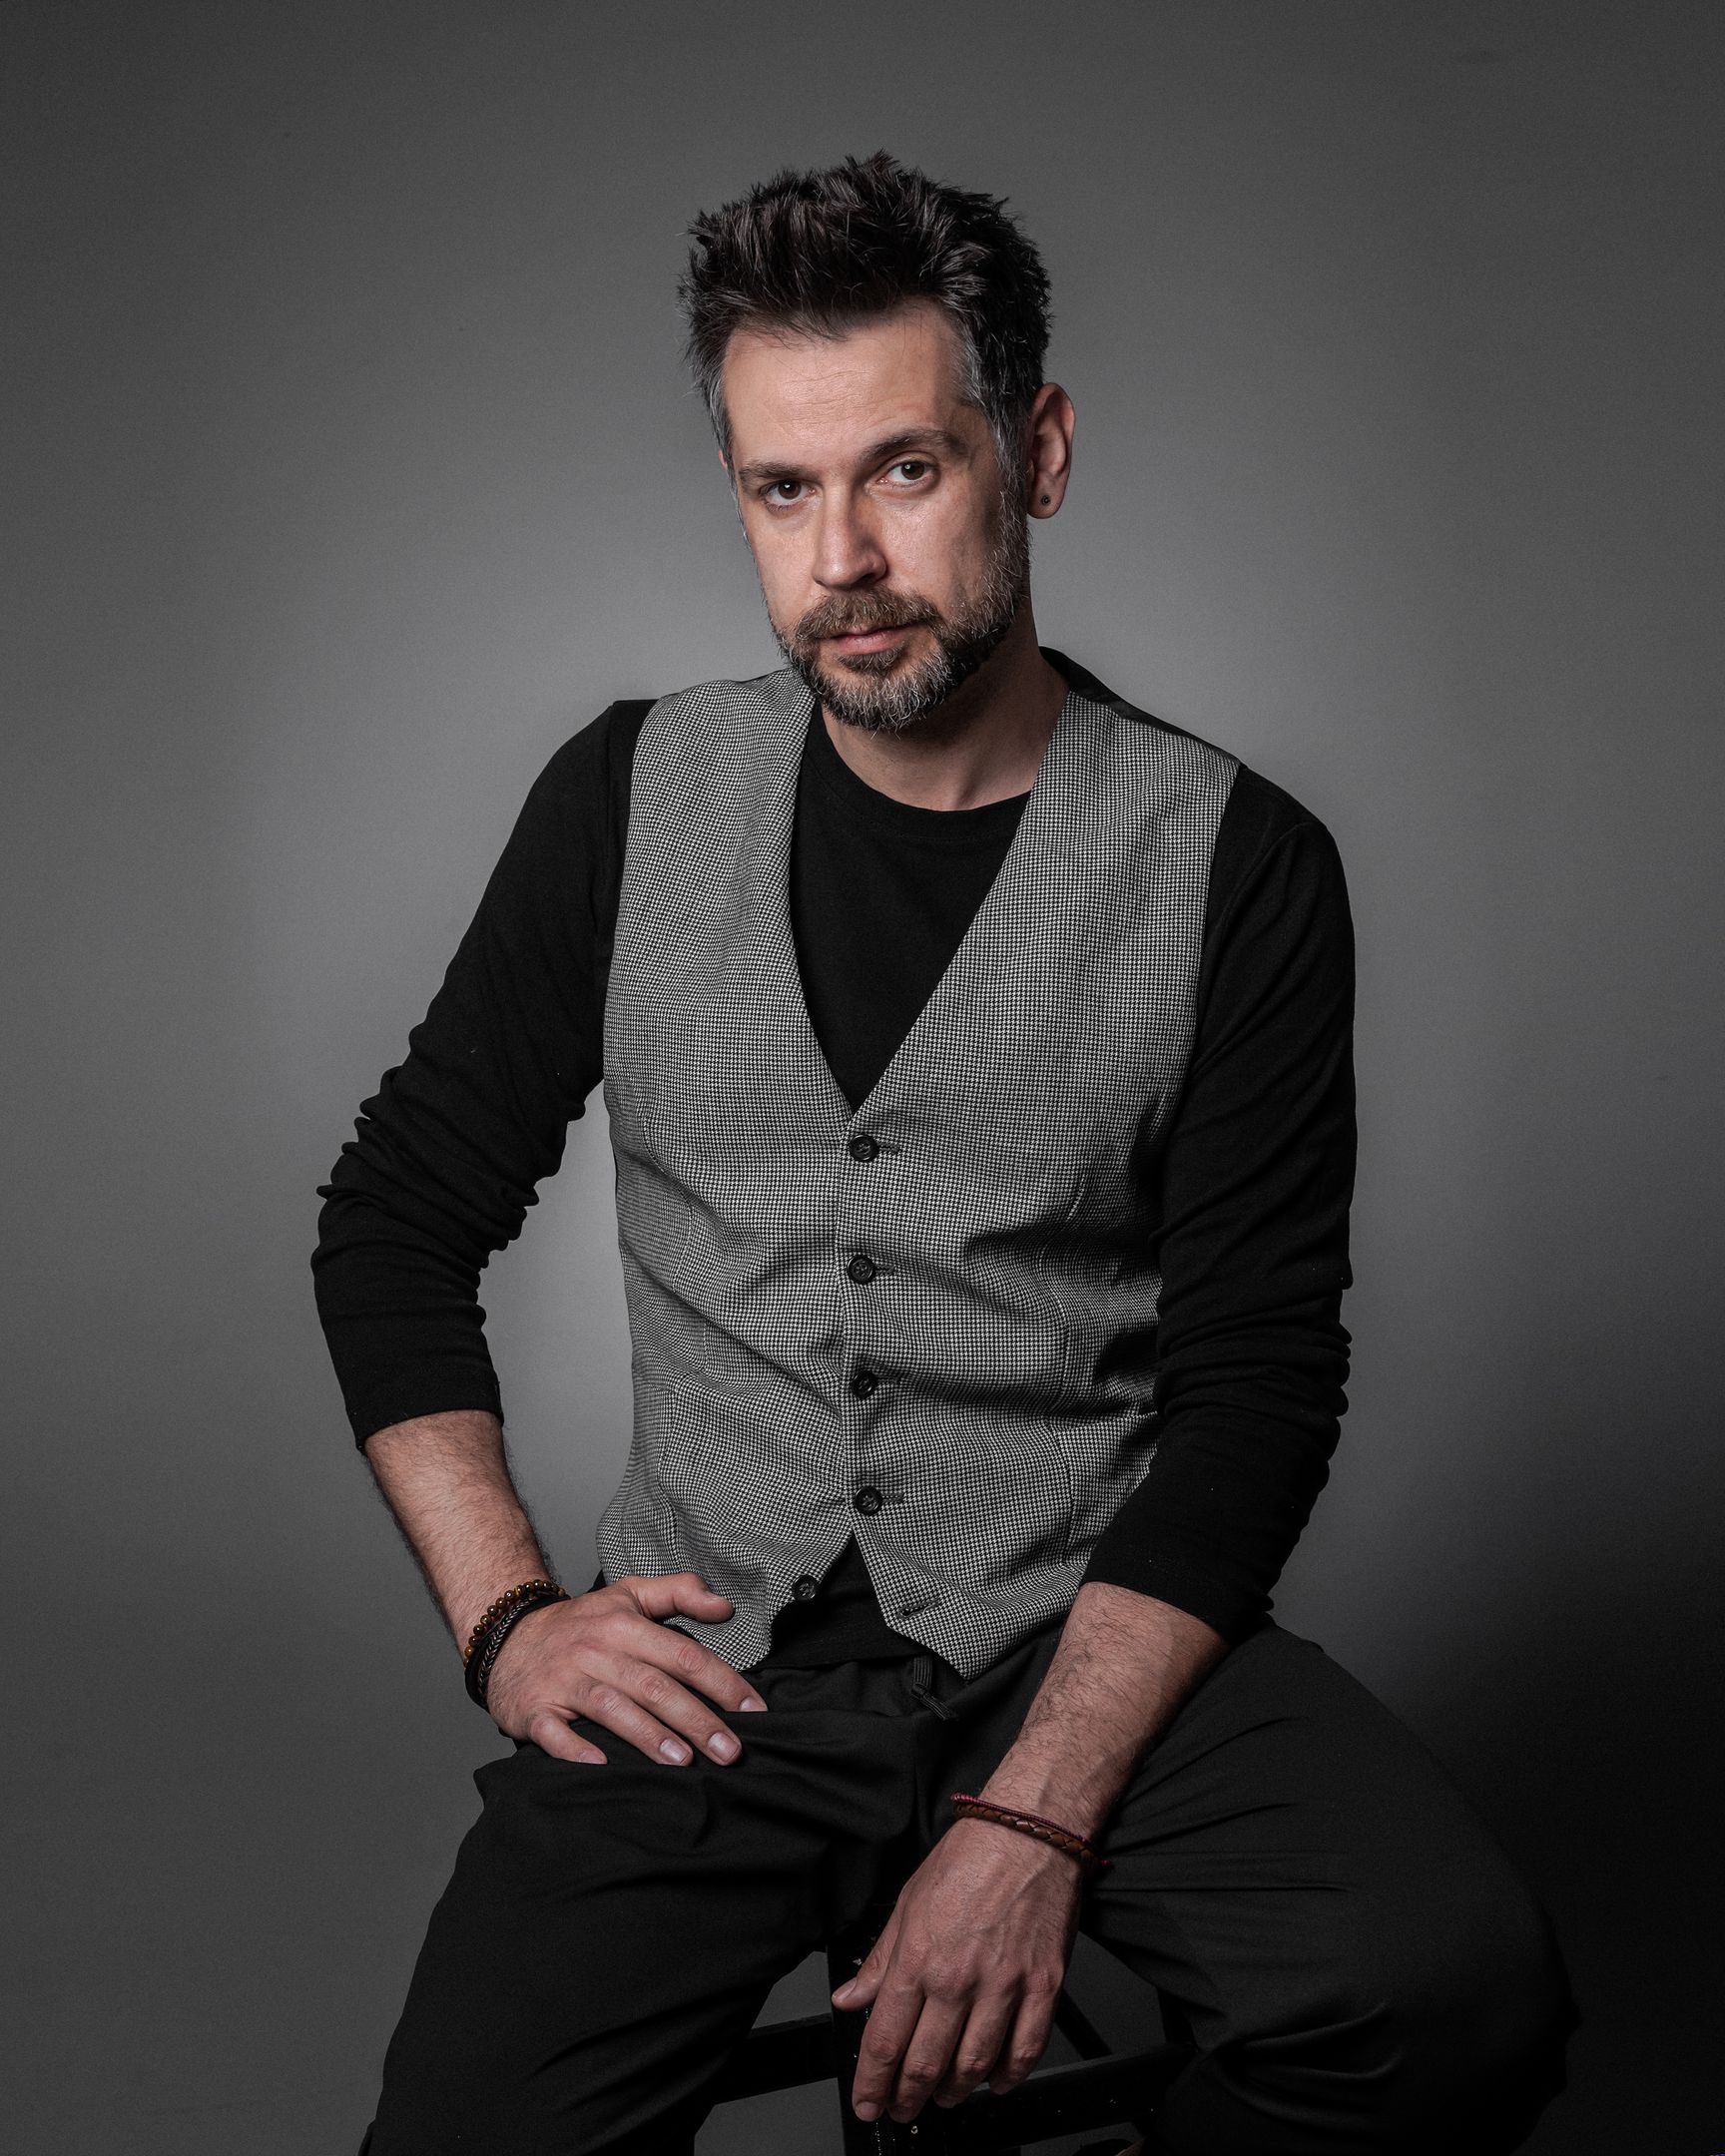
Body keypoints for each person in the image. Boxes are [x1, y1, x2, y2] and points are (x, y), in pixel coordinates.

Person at [312, 152, 1579, 2156]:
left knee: (1451, 1996)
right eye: (781, 490)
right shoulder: (627, 798)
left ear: (1036, 454)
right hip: (710, 1659)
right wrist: (509, 1617)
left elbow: (1258, 1386)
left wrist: (1034, 1818)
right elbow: (395, 1222)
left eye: (905, 470)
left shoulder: (1236, 863)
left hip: (1077, 1633)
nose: (843, 559)